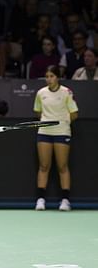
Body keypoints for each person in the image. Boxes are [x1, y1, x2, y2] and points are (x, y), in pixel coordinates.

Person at [34, 65, 78, 211]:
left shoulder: (66, 92)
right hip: (44, 132)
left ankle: (65, 200)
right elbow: (38, 112)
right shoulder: (41, 93)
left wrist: (62, 124)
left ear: (57, 77)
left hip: (62, 132)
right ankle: (40, 200)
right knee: (44, 166)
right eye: (47, 76)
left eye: (52, 76)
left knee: (62, 166)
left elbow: (74, 114)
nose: (49, 79)